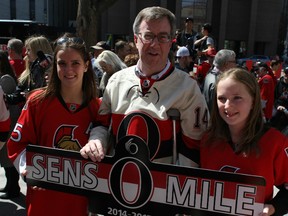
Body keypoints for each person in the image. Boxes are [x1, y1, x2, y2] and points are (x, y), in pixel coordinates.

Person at [80, 6, 208, 167]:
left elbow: (193, 147)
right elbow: (102, 125)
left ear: (170, 42)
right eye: (148, 36)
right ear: (135, 40)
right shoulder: (116, 81)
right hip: (118, 180)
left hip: (162, 187)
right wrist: (97, 141)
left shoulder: (188, 88)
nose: (154, 44)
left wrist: (174, 186)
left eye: (162, 37)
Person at [7, 34, 105, 216]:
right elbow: (16, 144)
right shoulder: (38, 102)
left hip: (80, 202)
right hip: (43, 200)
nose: (69, 69)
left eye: (75, 63)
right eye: (62, 63)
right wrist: (31, 169)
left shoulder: (98, 108)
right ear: (55, 66)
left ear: (86, 65)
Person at [200, 68, 288, 216]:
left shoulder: (275, 142)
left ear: (253, 100)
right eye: (222, 98)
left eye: (237, 98)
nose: (228, 105)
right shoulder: (207, 140)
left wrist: (273, 208)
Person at [5, 35, 53, 106]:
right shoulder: (30, 69)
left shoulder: (53, 70)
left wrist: (32, 95)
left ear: (38, 51)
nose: (25, 53)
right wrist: (4, 97)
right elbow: (17, 95)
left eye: (29, 50)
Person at [0, 50, 21, 199]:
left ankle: (13, 189)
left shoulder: (5, 78)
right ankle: (9, 185)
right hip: (7, 120)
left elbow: (6, 101)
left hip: (10, 122)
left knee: (8, 159)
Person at [270, 67, 288, 132]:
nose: (286, 75)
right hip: (278, 108)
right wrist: (277, 105)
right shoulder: (279, 83)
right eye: (286, 73)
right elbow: (274, 96)